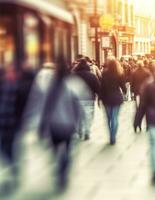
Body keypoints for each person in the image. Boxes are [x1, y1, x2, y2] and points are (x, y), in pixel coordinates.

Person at [23, 58, 86, 191]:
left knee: (56, 149)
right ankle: (63, 168)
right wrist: (80, 124)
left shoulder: (49, 85)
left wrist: (39, 124)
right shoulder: (73, 84)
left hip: (54, 125)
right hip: (68, 125)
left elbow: (42, 106)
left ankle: (59, 166)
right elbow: (79, 107)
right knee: (68, 150)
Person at [0, 65, 34, 191]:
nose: (9, 75)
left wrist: (22, 122)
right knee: (4, 148)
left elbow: (23, 107)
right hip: (3, 123)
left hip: (13, 123)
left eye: (12, 72)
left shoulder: (20, 88)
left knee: (11, 147)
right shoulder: (3, 86)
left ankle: (14, 169)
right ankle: (13, 167)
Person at [73, 59, 101, 140]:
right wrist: (99, 98)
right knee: (88, 116)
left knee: (77, 116)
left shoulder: (74, 75)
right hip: (89, 99)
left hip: (76, 99)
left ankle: (79, 130)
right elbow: (98, 88)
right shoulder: (92, 76)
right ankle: (87, 131)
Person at [100, 57, 126, 145]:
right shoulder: (119, 73)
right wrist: (125, 92)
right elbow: (123, 86)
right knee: (115, 118)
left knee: (108, 119)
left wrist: (100, 98)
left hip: (106, 98)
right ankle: (113, 136)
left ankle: (111, 135)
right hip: (116, 98)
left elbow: (101, 87)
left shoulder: (104, 73)